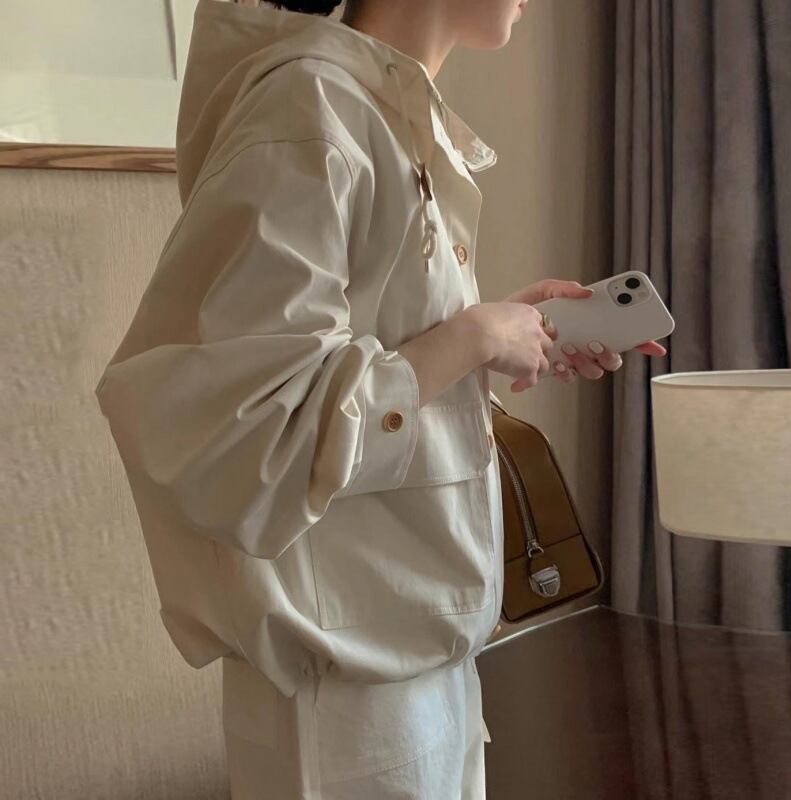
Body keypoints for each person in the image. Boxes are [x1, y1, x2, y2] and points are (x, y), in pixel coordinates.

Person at [94, 0, 667, 797]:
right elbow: (255, 432)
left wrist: (500, 333)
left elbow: (349, 372)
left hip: (416, 665)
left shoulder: (374, 110)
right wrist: (469, 338)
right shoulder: (310, 109)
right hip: (349, 700)